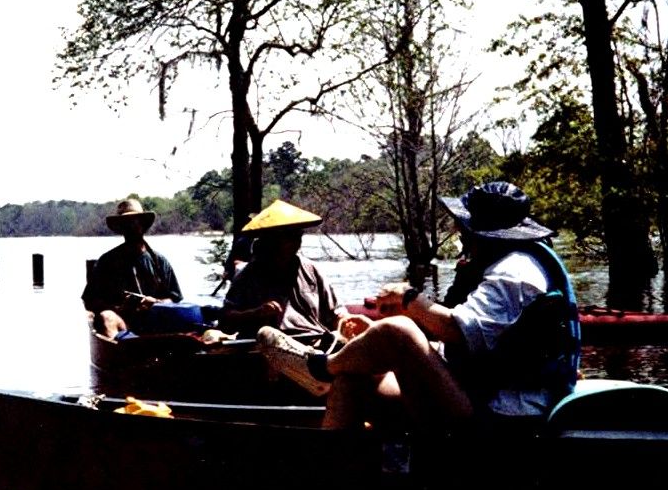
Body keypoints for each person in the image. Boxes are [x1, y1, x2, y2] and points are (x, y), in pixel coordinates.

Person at [256, 181, 580, 430]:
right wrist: (379, 334)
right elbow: (470, 338)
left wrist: (410, 299)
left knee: (397, 332)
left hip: (502, 413)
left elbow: (457, 330)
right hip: (477, 394)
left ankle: (319, 368)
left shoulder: (515, 271)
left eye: (463, 226)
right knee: (353, 379)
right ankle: (339, 476)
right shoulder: (505, 263)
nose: (459, 231)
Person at [217, 199, 343, 341]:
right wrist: (256, 313)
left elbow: (336, 312)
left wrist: (346, 321)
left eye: (298, 236)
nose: (296, 242)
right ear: (270, 240)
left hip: (314, 340)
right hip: (270, 344)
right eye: (289, 237)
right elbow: (225, 320)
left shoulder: (311, 269)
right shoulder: (248, 275)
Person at [81, 197, 183, 338]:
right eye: (125, 223)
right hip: (122, 323)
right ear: (121, 228)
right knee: (107, 317)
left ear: (142, 224)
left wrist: (156, 303)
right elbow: (90, 300)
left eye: (134, 222)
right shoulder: (107, 261)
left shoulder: (160, 262)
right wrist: (118, 307)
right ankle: (126, 346)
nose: (130, 227)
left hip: (156, 323)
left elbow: (175, 299)